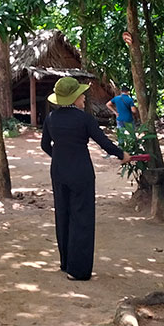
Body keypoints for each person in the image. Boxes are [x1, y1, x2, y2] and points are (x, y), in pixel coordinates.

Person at [41, 77, 132, 280]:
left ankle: (65, 262)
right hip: (81, 172)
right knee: (81, 218)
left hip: (59, 171)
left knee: (63, 215)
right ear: (74, 98)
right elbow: (103, 142)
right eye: (81, 94)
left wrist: (59, 157)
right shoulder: (85, 119)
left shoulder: (51, 118)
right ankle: (78, 270)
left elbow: (45, 145)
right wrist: (121, 154)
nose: (84, 97)